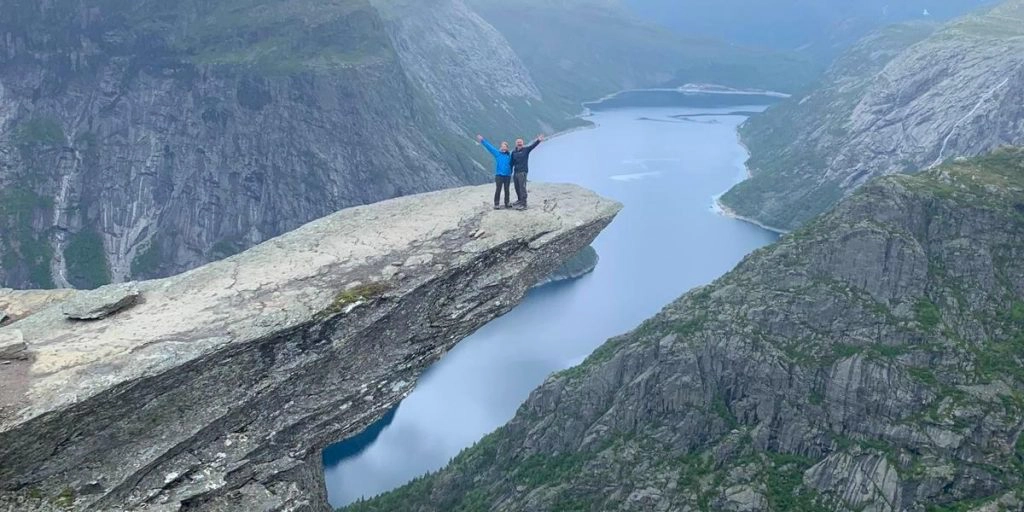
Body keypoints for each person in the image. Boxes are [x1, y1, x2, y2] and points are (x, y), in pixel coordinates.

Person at [476, 135, 513, 209]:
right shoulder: (497, 154)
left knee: (507, 190)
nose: (503, 147)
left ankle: (507, 203)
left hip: (507, 176)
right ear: (501, 147)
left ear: (507, 147)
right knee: (498, 189)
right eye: (502, 146)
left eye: (505, 146)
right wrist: (483, 140)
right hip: (499, 175)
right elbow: (490, 148)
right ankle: (496, 204)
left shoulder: (510, 155)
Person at [510, 134, 544, 210]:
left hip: (523, 172)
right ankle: (519, 200)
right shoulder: (513, 152)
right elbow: (511, 163)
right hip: (516, 172)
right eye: (518, 142)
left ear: (523, 143)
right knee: (517, 187)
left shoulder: (526, 150)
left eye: (520, 142)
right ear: (516, 143)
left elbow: (533, 146)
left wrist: (538, 140)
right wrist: (510, 171)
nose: (519, 143)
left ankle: (524, 204)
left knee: (522, 187)